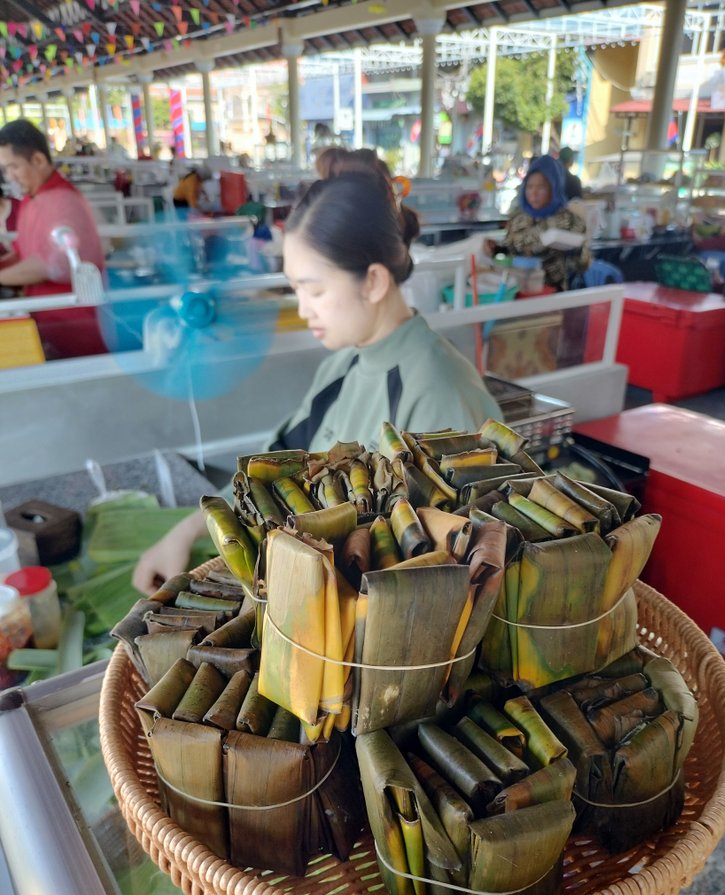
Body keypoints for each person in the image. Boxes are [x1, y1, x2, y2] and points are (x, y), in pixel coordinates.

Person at [132, 170, 501, 593]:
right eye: (295, 290)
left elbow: (463, 570)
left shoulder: (440, 392)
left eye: (315, 290)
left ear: (374, 281)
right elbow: (272, 471)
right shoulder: (343, 367)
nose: (304, 310)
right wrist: (186, 532)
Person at [0, 119, 106, 359]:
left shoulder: (63, 202)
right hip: (47, 324)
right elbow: (23, 253)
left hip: (76, 331)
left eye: (13, 167)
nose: (10, 177)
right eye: (5, 170)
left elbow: (51, 265)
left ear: (38, 160)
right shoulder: (32, 198)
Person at [484, 154, 590, 292]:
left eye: (541, 188)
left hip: (554, 296)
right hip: (516, 291)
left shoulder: (571, 221)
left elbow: (583, 266)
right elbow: (509, 250)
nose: (533, 193)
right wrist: (496, 249)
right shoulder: (518, 220)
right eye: (529, 187)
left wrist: (576, 251)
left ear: (554, 188)